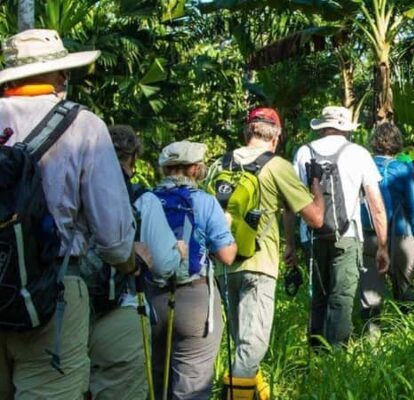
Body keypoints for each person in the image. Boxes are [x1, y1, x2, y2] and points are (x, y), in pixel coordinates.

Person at [0, 30, 136, 399]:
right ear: (61, 76)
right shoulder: (83, 125)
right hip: (54, 290)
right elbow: (114, 237)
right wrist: (128, 263)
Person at [209, 107, 324, 398]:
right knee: (252, 347)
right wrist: (317, 187)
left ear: (246, 132)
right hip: (259, 266)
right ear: (276, 137)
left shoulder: (218, 165)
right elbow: (315, 218)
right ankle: (234, 395)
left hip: (223, 265)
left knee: (240, 343)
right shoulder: (277, 166)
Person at [84, 125, 184, 400]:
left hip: (57, 310)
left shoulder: (71, 179)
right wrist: (178, 252)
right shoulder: (141, 197)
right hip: (119, 309)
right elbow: (164, 265)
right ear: (133, 160)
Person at [292, 106, 389, 349]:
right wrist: (383, 246)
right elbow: (376, 206)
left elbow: (290, 203)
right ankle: (336, 354)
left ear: (322, 126)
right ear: (346, 128)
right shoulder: (358, 153)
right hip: (348, 236)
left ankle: (316, 351)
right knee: (342, 298)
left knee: (318, 297)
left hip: (310, 236)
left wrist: (291, 245)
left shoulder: (304, 152)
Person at [149, 141, 237, 399]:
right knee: (192, 386)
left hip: (150, 299)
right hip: (193, 300)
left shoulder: (145, 199)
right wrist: (227, 226)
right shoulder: (206, 202)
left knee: (155, 381)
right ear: (197, 169)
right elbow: (227, 255)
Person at [358, 122, 414, 335]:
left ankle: (372, 340)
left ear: (374, 142)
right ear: (397, 143)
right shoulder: (404, 168)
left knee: (370, 290)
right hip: (400, 234)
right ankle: (408, 333)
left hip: (369, 234)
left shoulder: (363, 165)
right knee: (405, 287)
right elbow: (413, 207)